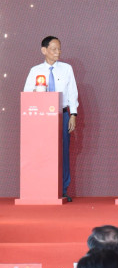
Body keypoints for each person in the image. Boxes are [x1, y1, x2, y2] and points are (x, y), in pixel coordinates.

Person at [23, 36, 79, 202]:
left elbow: (72, 93)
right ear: (44, 50)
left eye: (59, 49)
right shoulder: (35, 71)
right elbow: (26, 93)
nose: (58, 52)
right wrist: (35, 92)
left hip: (62, 114)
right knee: (41, 151)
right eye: (54, 49)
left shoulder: (67, 69)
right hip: (41, 118)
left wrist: (73, 115)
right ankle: (40, 188)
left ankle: (62, 189)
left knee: (63, 152)